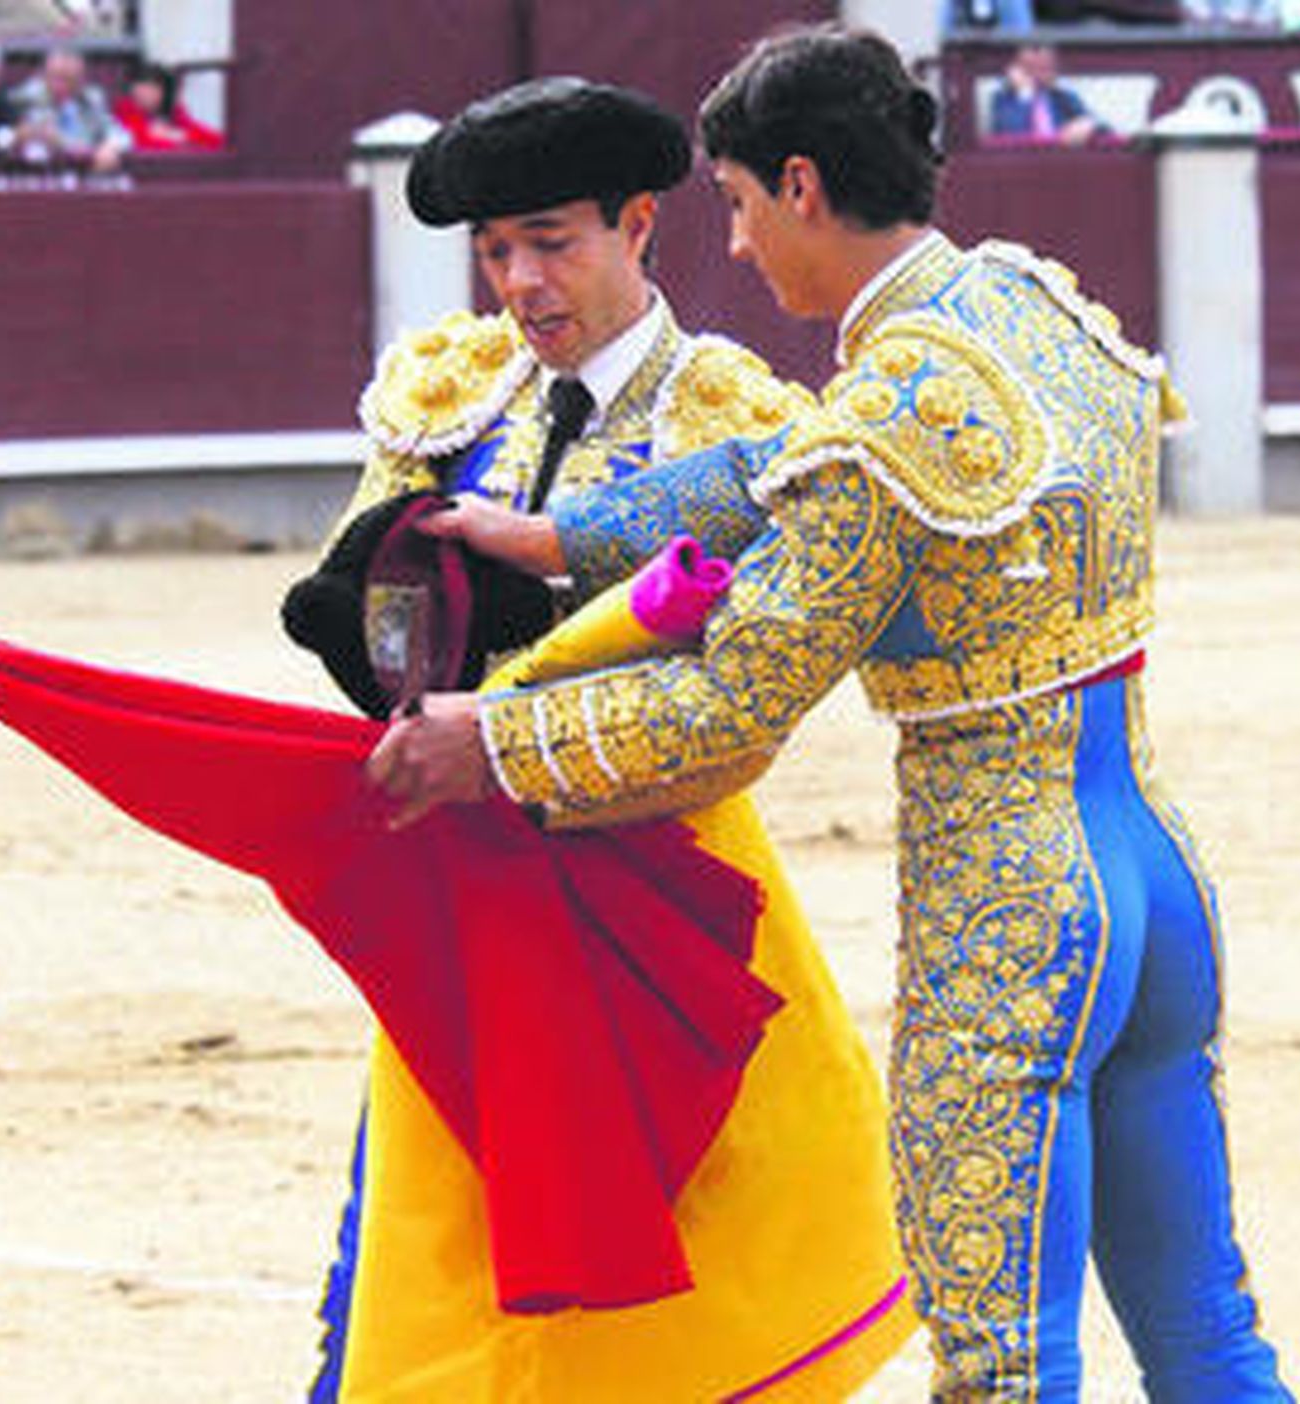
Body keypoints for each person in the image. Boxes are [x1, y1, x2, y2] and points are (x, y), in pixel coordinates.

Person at [380, 25, 1297, 1402]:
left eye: (740, 203)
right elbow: (780, 463)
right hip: (1154, 871)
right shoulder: (1027, 301)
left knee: (1001, 1366)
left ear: (801, 185)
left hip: (1014, 904)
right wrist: (567, 537)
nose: (738, 243)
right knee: (1206, 1330)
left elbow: (728, 702)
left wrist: (493, 744)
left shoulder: (880, 426)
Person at [305, 76, 913, 1403]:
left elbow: (748, 679)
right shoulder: (449, 393)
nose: (521, 283)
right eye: (495, 252)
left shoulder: (736, 418)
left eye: (551, 242)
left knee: (699, 1226)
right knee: (418, 1230)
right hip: (467, 871)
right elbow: (363, 613)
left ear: (638, 224)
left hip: (658, 862)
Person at [12, 45, 129, 171]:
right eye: (54, 77)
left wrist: (110, 147)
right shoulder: (25, 98)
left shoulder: (90, 100)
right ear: (43, 75)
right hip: (32, 174)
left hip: (82, 174)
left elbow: (121, 136)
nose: (59, 85)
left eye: (68, 79)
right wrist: (17, 135)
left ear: (81, 80)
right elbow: (5, 134)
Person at [988, 45, 1104, 146]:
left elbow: (1103, 127)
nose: (1045, 55)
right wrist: (1025, 92)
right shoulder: (1003, 97)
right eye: (1036, 50)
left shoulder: (1061, 95)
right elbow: (1013, 135)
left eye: (1048, 67)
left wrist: (1090, 124)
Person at [112, 60, 223, 152]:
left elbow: (216, 140)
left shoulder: (174, 112)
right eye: (141, 86)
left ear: (164, 91)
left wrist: (177, 135)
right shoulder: (125, 109)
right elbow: (140, 142)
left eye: (152, 87)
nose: (145, 92)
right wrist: (181, 140)